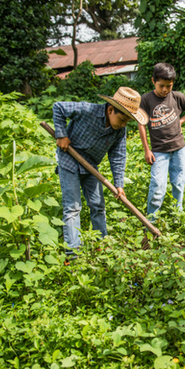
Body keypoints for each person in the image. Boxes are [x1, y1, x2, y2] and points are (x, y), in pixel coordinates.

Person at [53, 87, 148, 256]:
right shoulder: (87, 110)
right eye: (123, 119)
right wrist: (61, 134)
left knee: (98, 205)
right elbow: (58, 107)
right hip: (69, 160)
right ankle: (73, 253)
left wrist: (119, 184)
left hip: (90, 166)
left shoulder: (119, 130)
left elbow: (118, 155)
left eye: (128, 121)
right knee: (73, 207)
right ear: (111, 110)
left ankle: (102, 245)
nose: (124, 124)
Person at [138, 63, 185, 222]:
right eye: (161, 86)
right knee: (158, 185)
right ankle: (151, 220)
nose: (165, 89)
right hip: (159, 151)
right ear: (153, 81)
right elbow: (141, 124)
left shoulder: (177, 96)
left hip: (179, 148)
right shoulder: (146, 100)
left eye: (169, 86)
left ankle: (177, 215)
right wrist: (146, 149)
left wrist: (182, 120)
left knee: (178, 183)